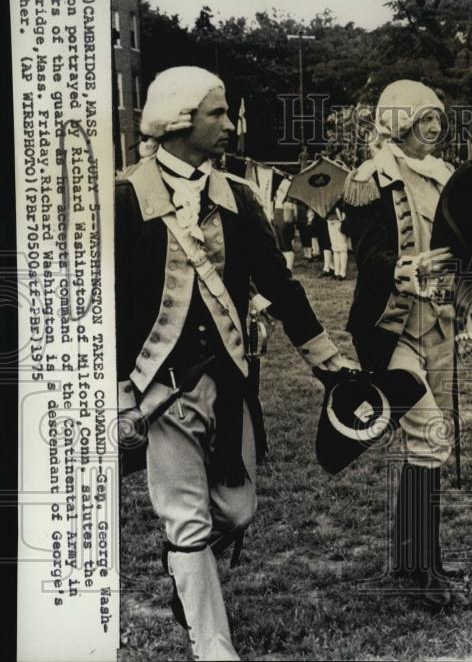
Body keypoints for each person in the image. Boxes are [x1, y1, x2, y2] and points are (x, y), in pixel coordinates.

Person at [116, 66, 355, 660]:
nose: (229, 124)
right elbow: (107, 306)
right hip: (158, 389)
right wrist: (119, 391)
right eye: (216, 113)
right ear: (178, 119)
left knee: (239, 509)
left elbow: (281, 286)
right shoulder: (122, 200)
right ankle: (213, 645)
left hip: (230, 384)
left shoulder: (239, 198)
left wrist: (329, 365)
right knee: (188, 524)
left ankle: (185, 575)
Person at [340, 79, 472, 611]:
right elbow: (368, 258)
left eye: (438, 117)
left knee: (427, 446)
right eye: (424, 117)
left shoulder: (447, 177)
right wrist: (408, 267)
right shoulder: (372, 178)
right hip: (392, 326)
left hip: (439, 321)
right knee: (430, 436)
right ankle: (423, 569)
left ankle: (417, 559)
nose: (435, 126)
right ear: (399, 122)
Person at [327, 199, 349, 280]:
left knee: (341, 247)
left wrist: (342, 215)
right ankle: (337, 272)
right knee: (335, 247)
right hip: (331, 220)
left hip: (338, 219)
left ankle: (342, 273)